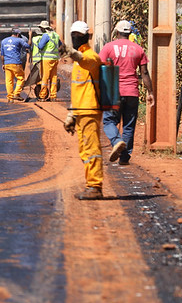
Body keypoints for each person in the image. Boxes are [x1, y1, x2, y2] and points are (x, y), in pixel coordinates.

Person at [99, 19, 156, 165]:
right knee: (129, 125)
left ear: (117, 32)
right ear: (130, 33)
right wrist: (150, 92)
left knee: (109, 121)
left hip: (113, 92)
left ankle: (117, 141)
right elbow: (144, 73)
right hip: (132, 92)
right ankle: (124, 157)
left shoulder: (108, 47)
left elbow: (100, 69)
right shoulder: (138, 49)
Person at [63, 20, 106, 200]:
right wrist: (71, 114)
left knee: (92, 149)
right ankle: (91, 184)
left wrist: (72, 53)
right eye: (73, 36)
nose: (75, 39)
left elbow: (86, 60)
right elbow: (77, 90)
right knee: (84, 151)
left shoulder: (91, 57)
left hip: (90, 109)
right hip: (80, 110)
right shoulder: (77, 63)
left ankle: (95, 186)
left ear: (86, 37)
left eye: (78, 37)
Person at [0, 27, 31, 102]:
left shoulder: (4, 41)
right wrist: (30, 36)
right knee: (21, 78)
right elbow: (28, 46)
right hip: (16, 62)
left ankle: (10, 98)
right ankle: (16, 93)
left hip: (7, 63)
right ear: (18, 34)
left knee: (9, 81)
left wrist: (3, 64)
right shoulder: (19, 40)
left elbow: (2, 55)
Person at [36, 20, 63, 101]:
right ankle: (53, 96)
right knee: (53, 77)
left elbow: (40, 46)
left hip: (47, 59)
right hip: (55, 58)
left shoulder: (46, 35)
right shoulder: (56, 35)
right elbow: (60, 44)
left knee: (45, 77)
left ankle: (43, 96)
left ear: (44, 28)